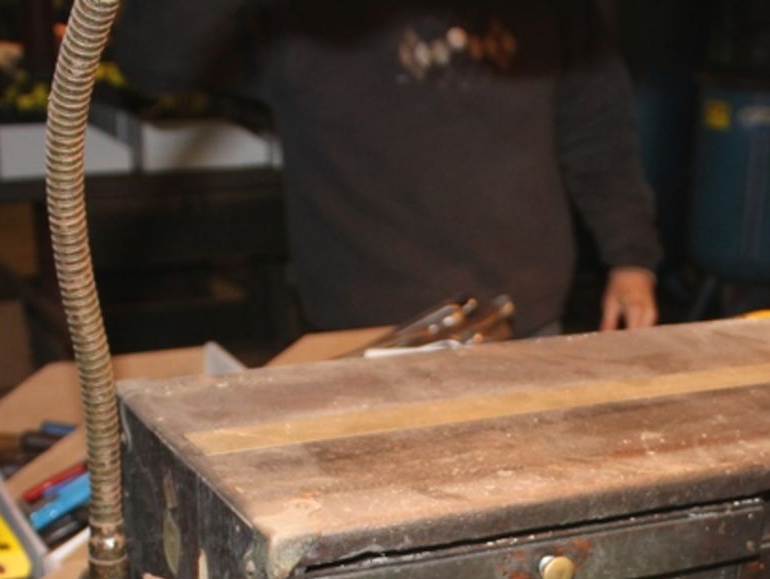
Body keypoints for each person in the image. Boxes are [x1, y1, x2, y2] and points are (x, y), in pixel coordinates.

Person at [113, 3, 661, 337]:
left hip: (527, 323)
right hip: (368, 341)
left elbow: (597, 129)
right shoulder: (294, 18)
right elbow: (153, 62)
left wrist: (631, 258)